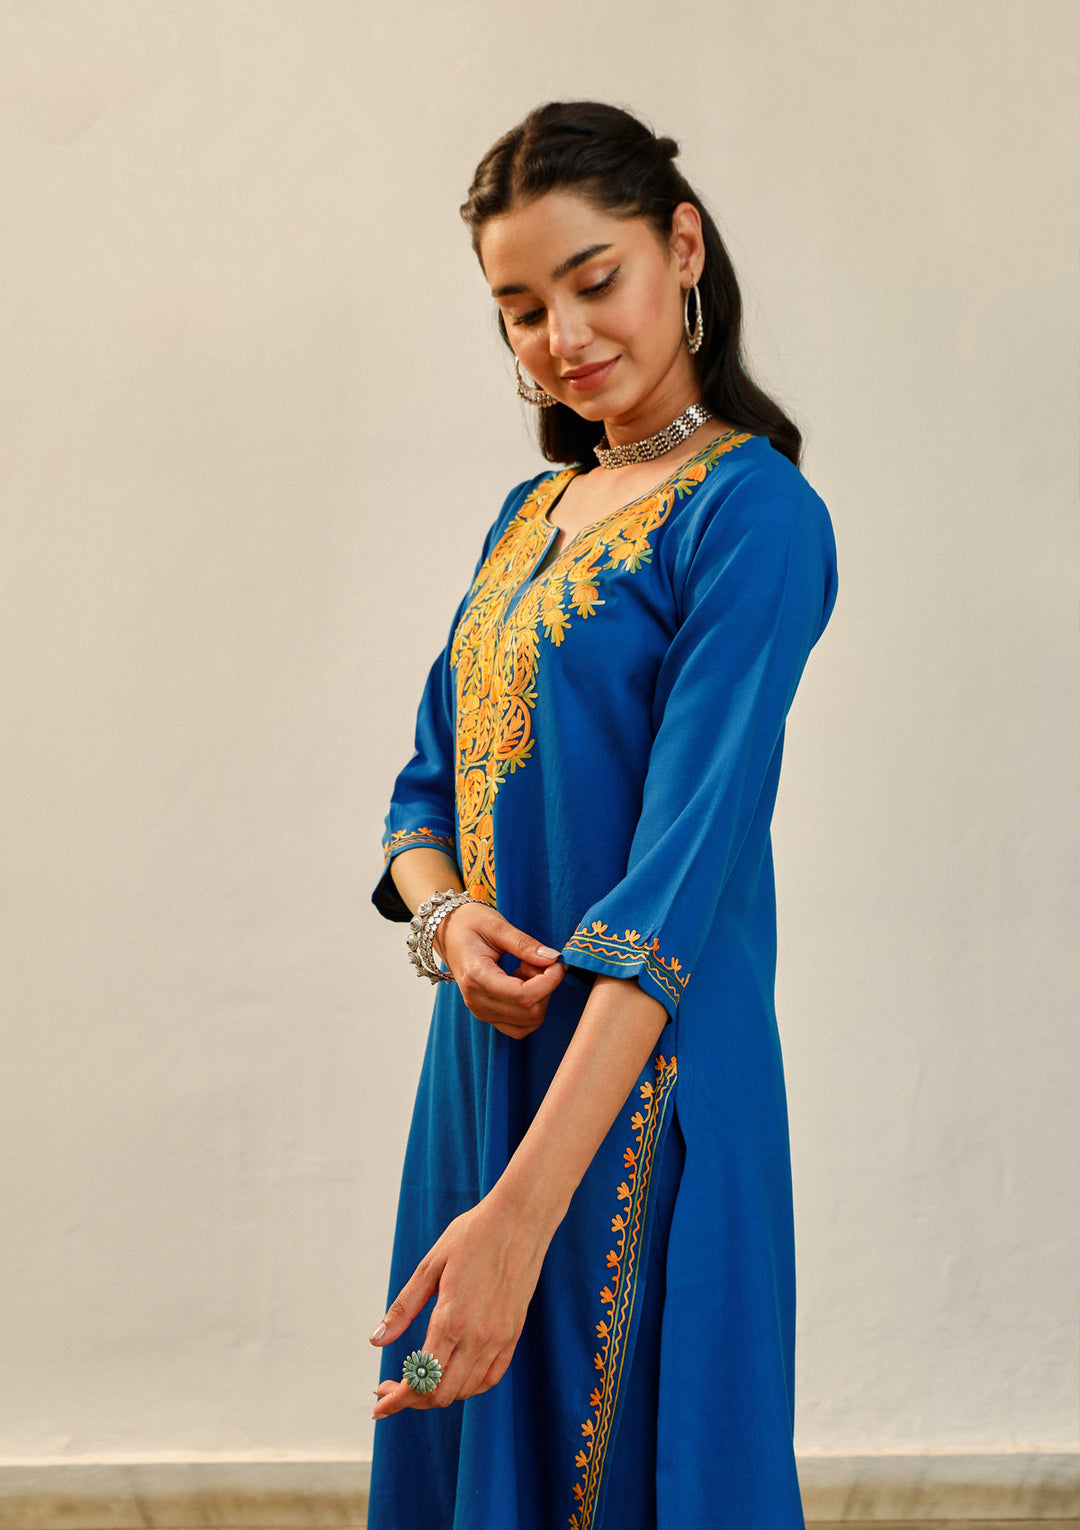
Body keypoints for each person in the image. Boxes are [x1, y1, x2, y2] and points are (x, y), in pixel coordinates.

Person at [367, 100, 838, 1530]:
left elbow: (676, 891)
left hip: (640, 1096)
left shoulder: (750, 516)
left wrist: (522, 1218)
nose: (562, 339)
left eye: (593, 281)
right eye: (522, 311)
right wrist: (448, 922)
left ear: (681, 248)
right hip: (481, 1080)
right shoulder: (528, 516)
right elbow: (421, 792)